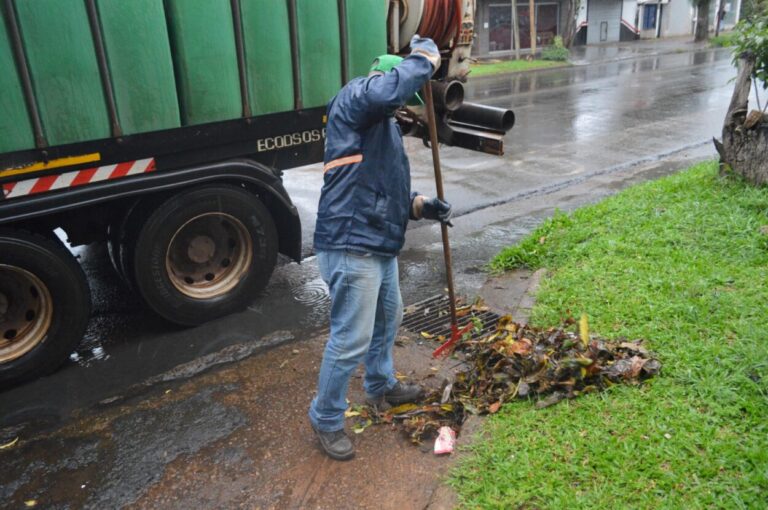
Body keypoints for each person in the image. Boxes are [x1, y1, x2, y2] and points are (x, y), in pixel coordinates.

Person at [308, 36, 453, 461]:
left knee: (390, 316)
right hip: (352, 242)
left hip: (376, 241)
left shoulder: (384, 125)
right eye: (400, 93)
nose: (401, 106)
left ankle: (380, 383)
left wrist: (421, 206)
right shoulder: (355, 96)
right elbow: (385, 89)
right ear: (386, 77)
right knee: (350, 338)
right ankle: (326, 417)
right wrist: (425, 58)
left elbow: (382, 190)